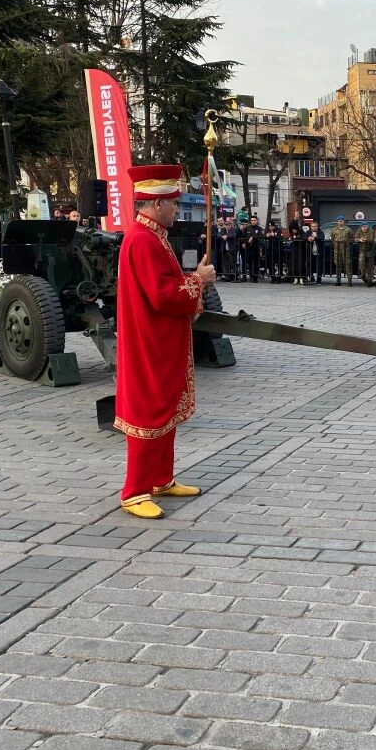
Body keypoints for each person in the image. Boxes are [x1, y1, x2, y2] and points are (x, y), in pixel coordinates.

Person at [115, 164, 216, 520]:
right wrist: (198, 281)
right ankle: (134, 491)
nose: (177, 207)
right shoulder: (143, 239)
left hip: (160, 338)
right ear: (157, 204)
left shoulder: (153, 235)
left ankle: (160, 479)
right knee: (149, 409)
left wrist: (192, 282)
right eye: (173, 202)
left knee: (166, 408)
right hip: (149, 342)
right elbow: (160, 295)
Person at [330, 215, 353, 286]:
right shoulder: (334, 230)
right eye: (338, 221)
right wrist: (336, 244)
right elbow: (332, 239)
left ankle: (349, 281)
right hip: (337, 250)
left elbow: (352, 238)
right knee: (338, 265)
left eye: (341, 221)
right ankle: (338, 281)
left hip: (345, 250)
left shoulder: (348, 229)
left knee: (348, 265)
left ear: (343, 221)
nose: (339, 222)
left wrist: (347, 243)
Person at [356, 223, 375, 287]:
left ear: (367, 227)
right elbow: (355, 238)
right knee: (361, 263)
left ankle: (369, 282)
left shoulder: (371, 231)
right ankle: (363, 275)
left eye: (365, 227)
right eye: (362, 227)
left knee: (369, 266)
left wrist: (365, 240)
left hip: (369, 250)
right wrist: (359, 239)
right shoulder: (359, 231)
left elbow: (371, 239)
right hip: (362, 250)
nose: (363, 228)